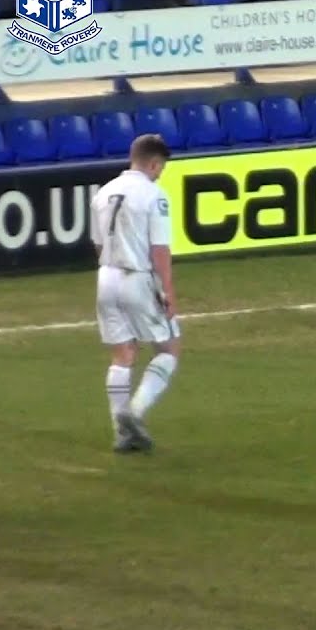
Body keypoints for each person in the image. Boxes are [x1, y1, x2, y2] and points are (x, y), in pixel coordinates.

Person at [89, 133, 180, 454]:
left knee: (122, 355)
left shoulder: (105, 192)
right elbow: (159, 250)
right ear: (153, 163)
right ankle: (134, 414)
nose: (160, 173)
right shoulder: (154, 195)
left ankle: (121, 431)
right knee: (168, 349)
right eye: (160, 168)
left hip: (106, 277)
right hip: (138, 278)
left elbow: (98, 243)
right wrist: (167, 291)